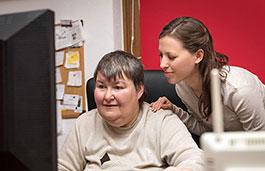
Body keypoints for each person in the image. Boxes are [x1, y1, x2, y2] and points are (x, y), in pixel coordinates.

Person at [58, 50, 204, 171]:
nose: (108, 96)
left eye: (118, 87)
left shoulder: (161, 121)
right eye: (101, 86)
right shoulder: (84, 123)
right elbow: (62, 167)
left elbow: (196, 161)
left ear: (139, 90)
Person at [150, 16, 265, 136]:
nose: (162, 64)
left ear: (198, 56)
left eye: (171, 57)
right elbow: (210, 132)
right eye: (161, 55)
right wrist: (174, 110)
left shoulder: (239, 91)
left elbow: (260, 146)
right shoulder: (182, 86)